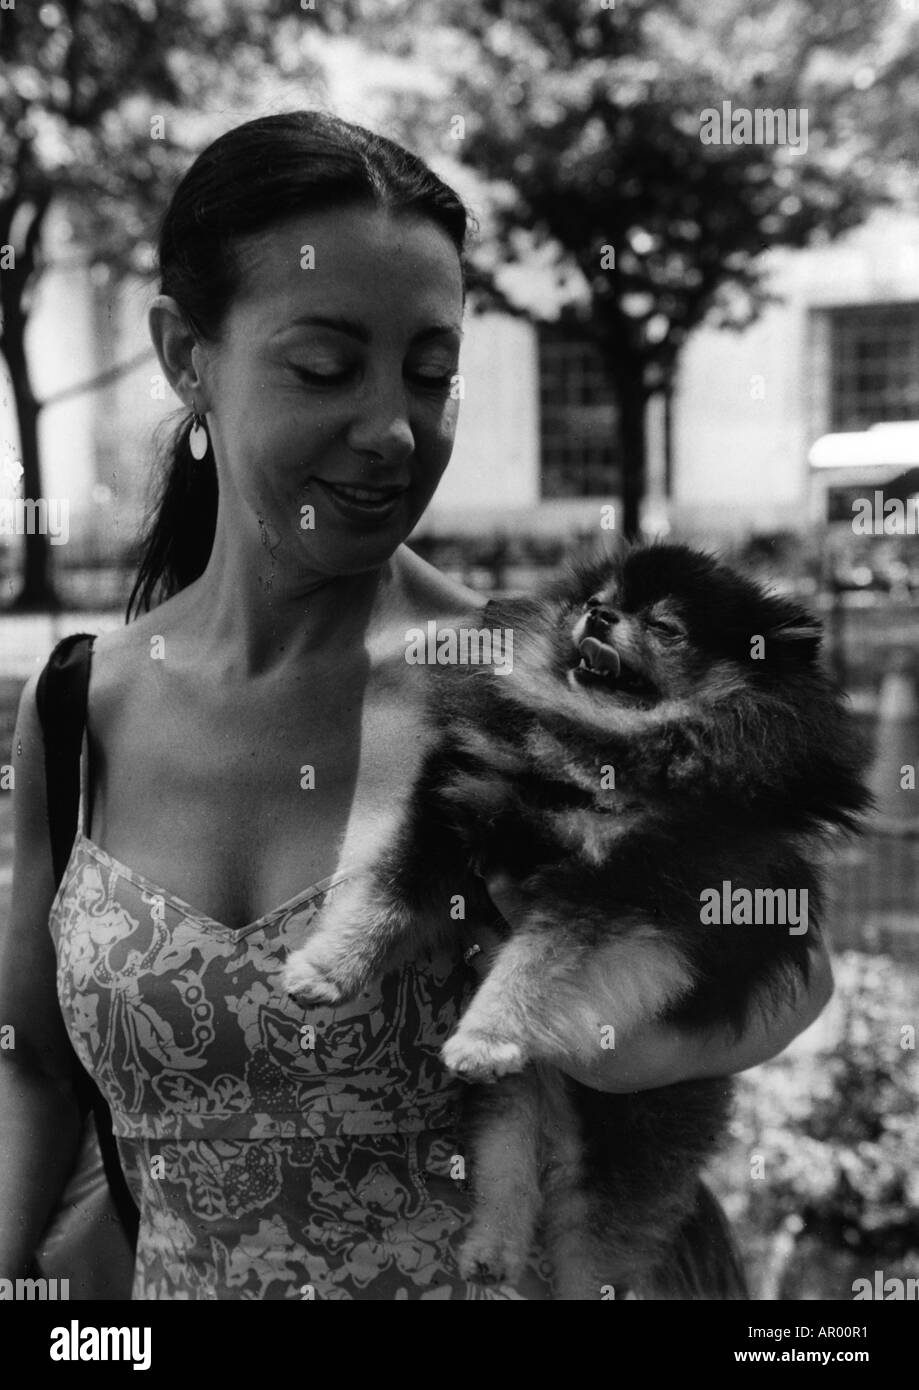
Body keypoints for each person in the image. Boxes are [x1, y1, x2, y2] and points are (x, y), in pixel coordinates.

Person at [0, 111, 833, 1301]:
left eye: (431, 374)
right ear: (187, 354)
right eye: (325, 367)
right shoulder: (80, 704)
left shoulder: (533, 686)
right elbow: (29, 1062)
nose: (394, 430)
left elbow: (785, 940)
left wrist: (670, 1032)